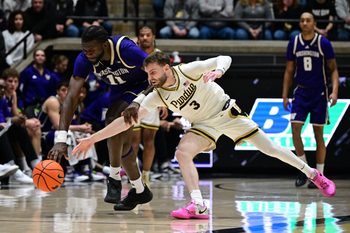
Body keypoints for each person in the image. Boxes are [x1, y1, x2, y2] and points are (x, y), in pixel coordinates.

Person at [72, 51, 336, 219]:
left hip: (226, 113)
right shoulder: (155, 96)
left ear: (166, 67)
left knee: (269, 147)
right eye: (147, 74)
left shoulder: (188, 70)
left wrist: (219, 71)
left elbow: (225, 58)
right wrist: (93, 139)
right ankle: (198, 205)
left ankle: (313, 174)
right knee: (182, 152)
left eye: (153, 72)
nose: (150, 78)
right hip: (203, 125)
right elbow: (124, 122)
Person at [47, 25, 153, 211]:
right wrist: (61, 139)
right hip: (118, 91)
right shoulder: (84, 58)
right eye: (84, 49)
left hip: (143, 88)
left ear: (105, 45)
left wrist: (140, 100)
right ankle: (139, 189)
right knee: (123, 146)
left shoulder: (126, 49)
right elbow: (71, 97)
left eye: (91, 49)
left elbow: (157, 73)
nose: (87, 53)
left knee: (112, 120)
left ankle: (113, 178)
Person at [282, 12, 339, 189]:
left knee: (318, 135)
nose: (305, 23)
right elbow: (289, 71)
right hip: (301, 92)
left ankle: (319, 174)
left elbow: (334, 70)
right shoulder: (294, 42)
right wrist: (284, 94)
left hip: (319, 94)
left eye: (308, 20)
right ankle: (304, 170)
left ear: (314, 23)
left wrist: (335, 91)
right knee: (295, 130)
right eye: (302, 20)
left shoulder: (323, 42)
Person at [133, 25, 168, 186]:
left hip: (153, 97)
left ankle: (146, 174)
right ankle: (133, 175)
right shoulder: (132, 52)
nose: (145, 38)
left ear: (153, 36)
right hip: (134, 97)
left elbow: (166, 78)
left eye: (148, 35)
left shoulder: (159, 55)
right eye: (142, 35)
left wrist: (165, 101)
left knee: (149, 139)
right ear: (138, 37)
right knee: (133, 139)